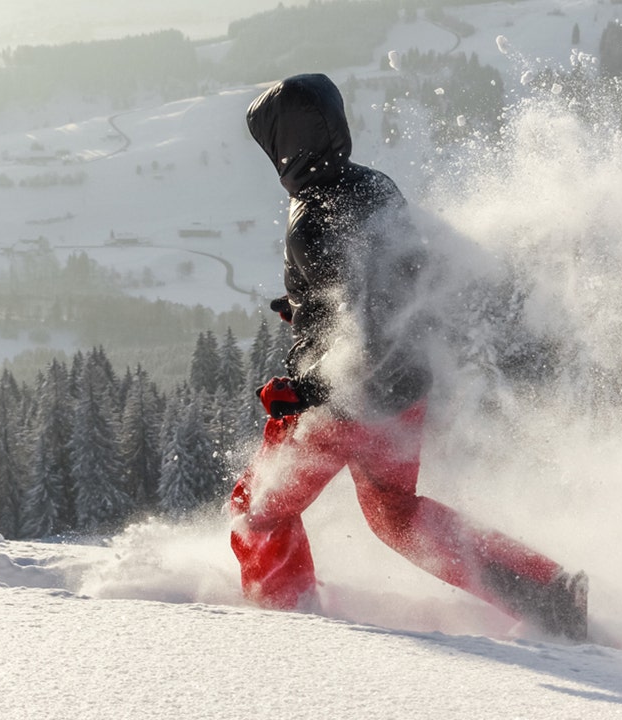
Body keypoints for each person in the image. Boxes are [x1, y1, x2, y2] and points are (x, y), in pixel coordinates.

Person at [230, 73, 588, 640]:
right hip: (403, 392)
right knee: (396, 513)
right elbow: (393, 280)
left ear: (286, 145)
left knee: (257, 511)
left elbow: (365, 329)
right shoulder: (373, 184)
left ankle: (282, 631)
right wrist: (303, 307)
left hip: (348, 399)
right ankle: (545, 593)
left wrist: (306, 392)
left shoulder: (313, 220)